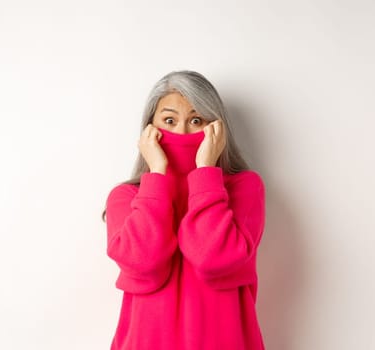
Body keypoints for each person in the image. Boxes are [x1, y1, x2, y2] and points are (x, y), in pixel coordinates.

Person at [101, 70, 266, 349]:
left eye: (196, 120)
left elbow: (213, 260)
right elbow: (144, 264)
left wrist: (206, 174)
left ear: (216, 127)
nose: (182, 131)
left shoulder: (244, 188)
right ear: (149, 131)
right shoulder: (125, 197)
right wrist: (156, 177)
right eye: (169, 120)